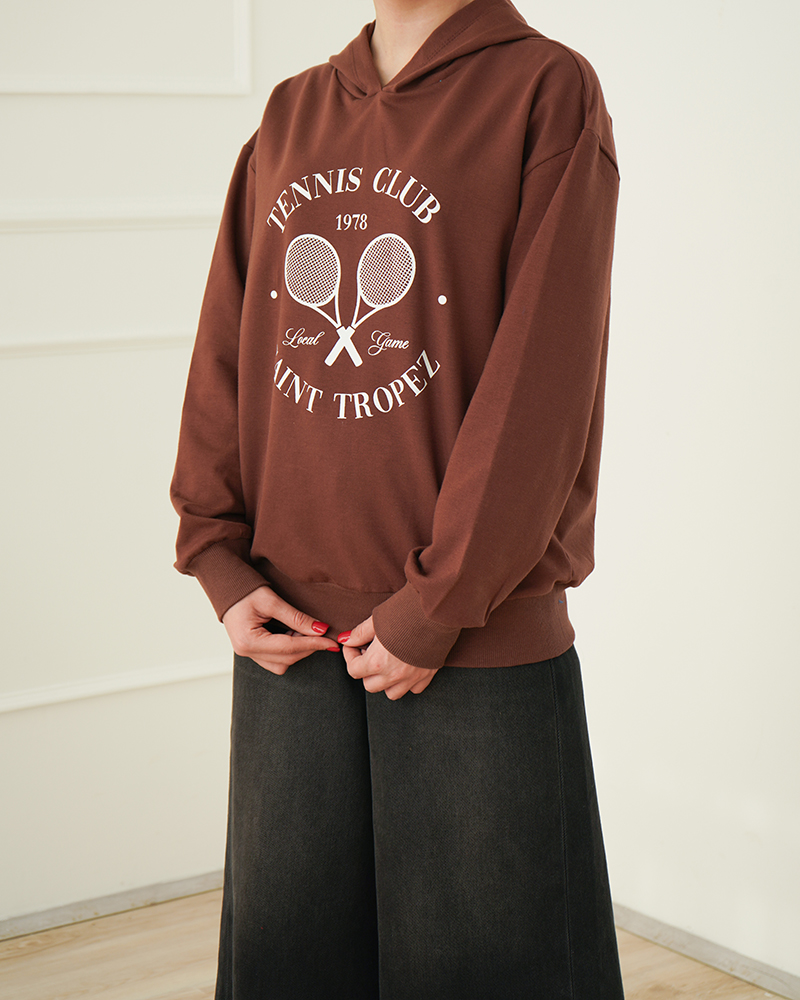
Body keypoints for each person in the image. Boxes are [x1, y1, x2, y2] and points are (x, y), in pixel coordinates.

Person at [171, 0, 623, 996]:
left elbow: (540, 380)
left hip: (472, 637)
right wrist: (217, 557)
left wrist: (439, 601)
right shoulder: (291, 112)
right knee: (290, 968)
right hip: (290, 634)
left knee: (485, 971)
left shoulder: (545, 91)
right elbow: (229, 340)